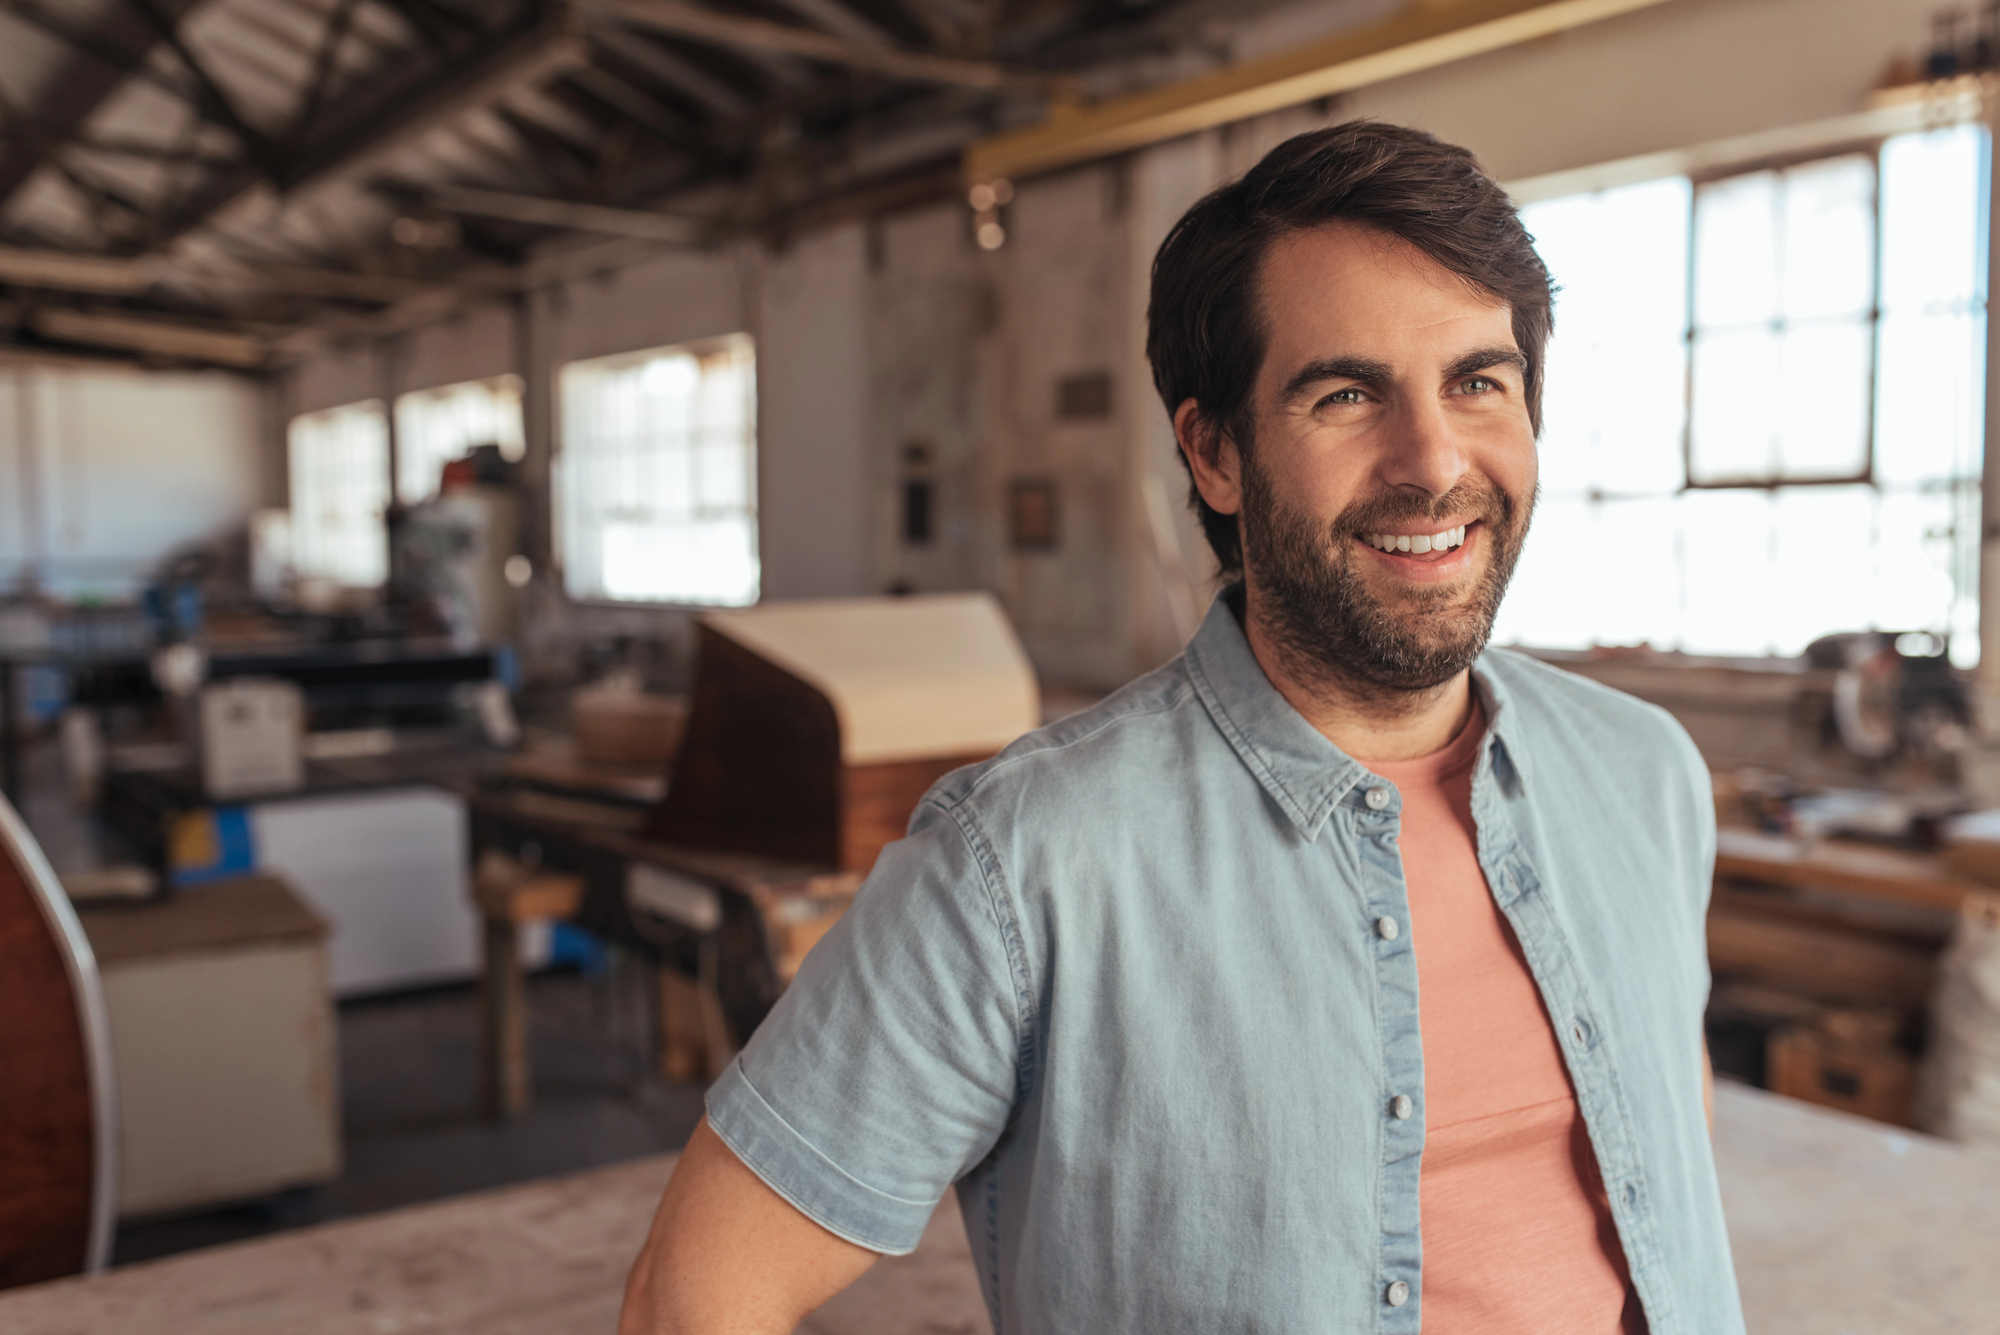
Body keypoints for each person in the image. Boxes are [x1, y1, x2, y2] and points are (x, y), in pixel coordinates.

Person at [620, 119, 1742, 1335]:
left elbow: (1664, 1165)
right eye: (1345, 393)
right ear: (1212, 452)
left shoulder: (1643, 776)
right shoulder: (1025, 862)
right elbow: (694, 1297)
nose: (1431, 462)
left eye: (1477, 381)